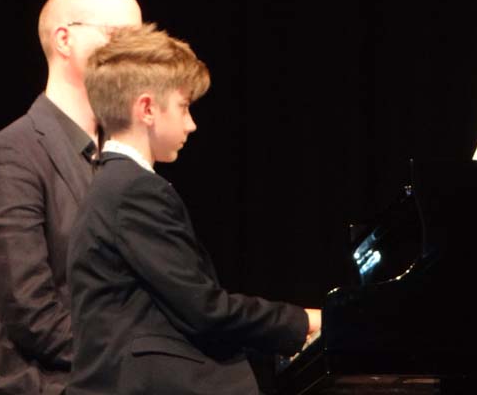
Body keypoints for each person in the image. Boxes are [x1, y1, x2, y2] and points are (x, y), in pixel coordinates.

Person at [67, 23, 321, 395]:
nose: (192, 124)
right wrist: (304, 321)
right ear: (147, 108)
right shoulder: (133, 189)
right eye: (184, 107)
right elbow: (204, 308)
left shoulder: (114, 184)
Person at [0, 0, 143, 395]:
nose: (137, 54)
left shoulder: (117, 157)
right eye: (121, 36)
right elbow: (30, 310)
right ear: (64, 40)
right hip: (36, 382)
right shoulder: (13, 152)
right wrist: (134, 364)